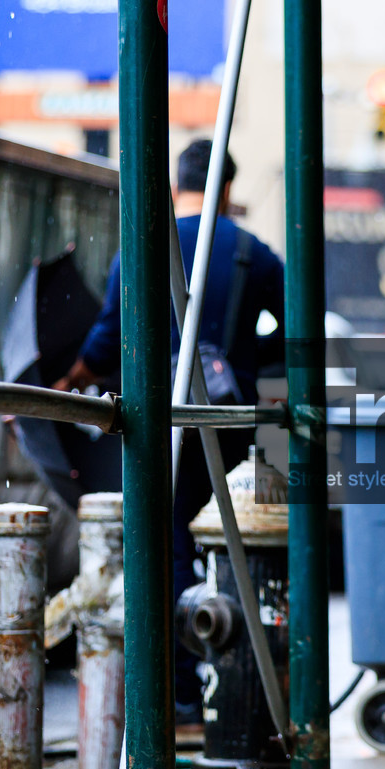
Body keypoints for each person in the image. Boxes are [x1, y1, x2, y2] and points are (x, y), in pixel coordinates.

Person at [56, 139, 285, 724]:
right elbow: (294, 325)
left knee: (167, 540)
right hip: (228, 421)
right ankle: (226, 668)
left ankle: (179, 684)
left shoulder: (145, 244)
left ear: (177, 180)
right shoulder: (253, 255)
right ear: (227, 188)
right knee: (223, 537)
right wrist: (239, 359)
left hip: (162, 421)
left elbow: (110, 337)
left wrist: (73, 377)